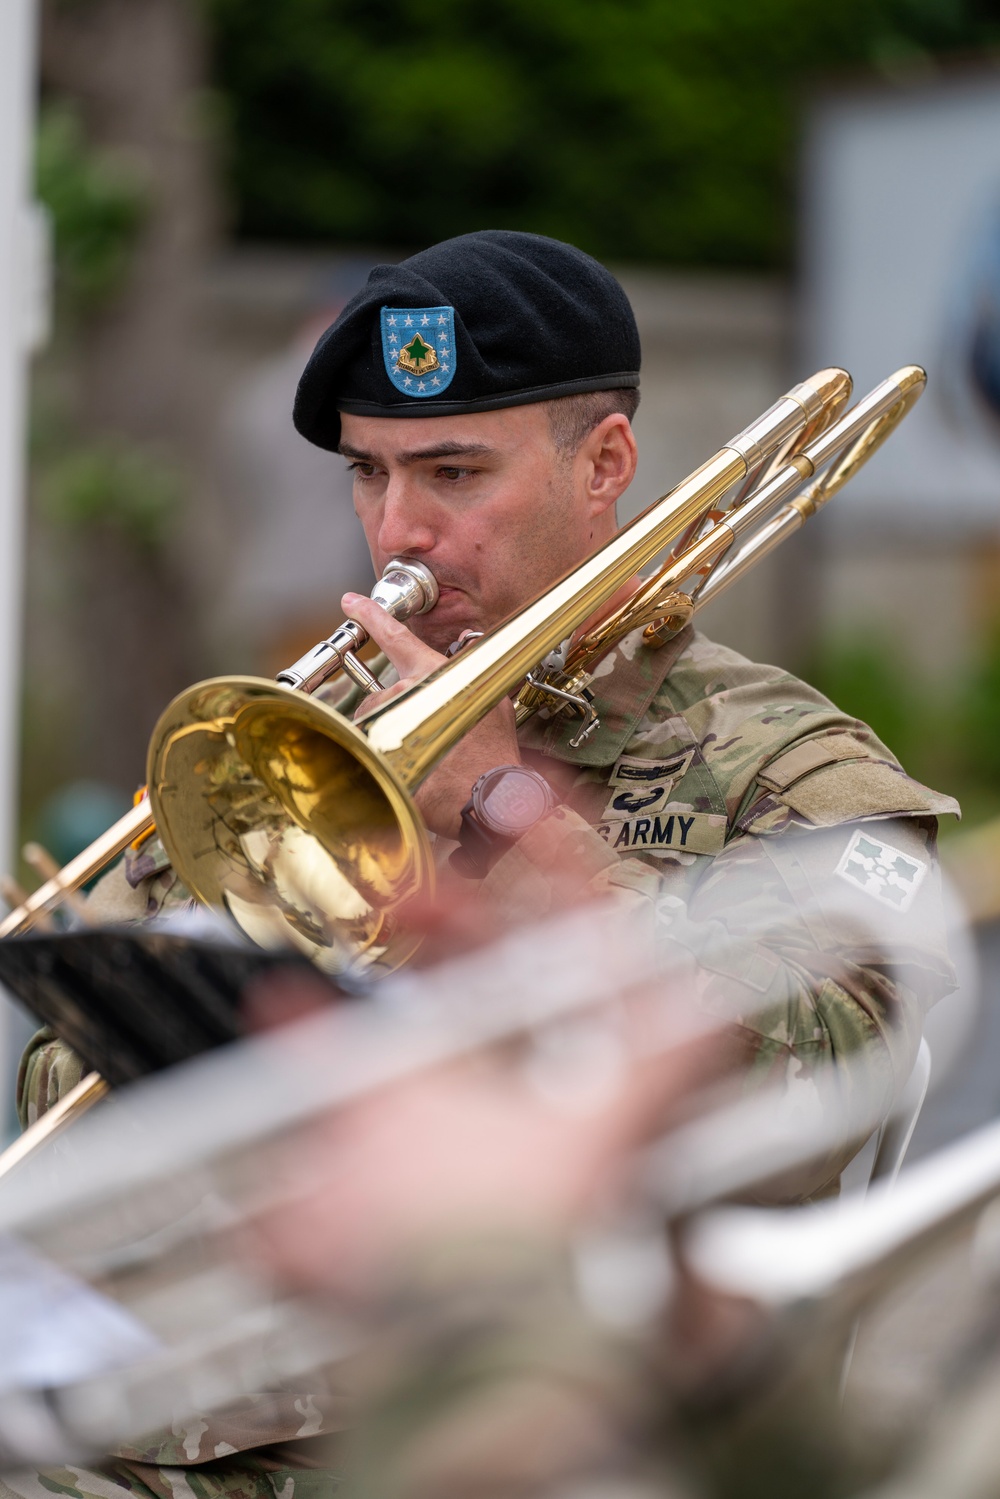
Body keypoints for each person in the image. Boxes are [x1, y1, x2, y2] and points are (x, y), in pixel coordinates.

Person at [11, 229, 960, 1493]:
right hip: (176, 1435)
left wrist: (510, 813)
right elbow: (59, 1102)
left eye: (453, 471)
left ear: (605, 463)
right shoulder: (309, 737)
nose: (399, 532)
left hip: (551, 1438)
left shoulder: (788, 763)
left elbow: (821, 1085)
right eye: (367, 473)